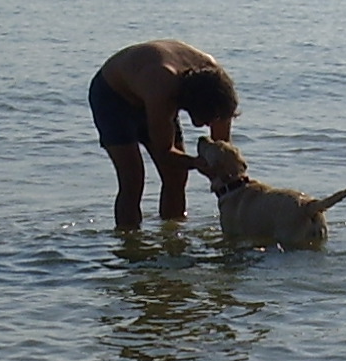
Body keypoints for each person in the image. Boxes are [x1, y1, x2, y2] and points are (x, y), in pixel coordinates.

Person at [90, 40, 238, 227]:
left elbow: (222, 147)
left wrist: (225, 174)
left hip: (152, 88)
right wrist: (195, 163)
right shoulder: (162, 86)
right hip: (113, 97)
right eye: (207, 119)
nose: (208, 125)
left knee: (176, 177)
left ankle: (173, 237)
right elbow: (164, 152)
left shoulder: (218, 88)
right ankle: (130, 243)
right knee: (132, 180)